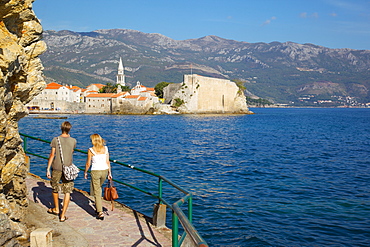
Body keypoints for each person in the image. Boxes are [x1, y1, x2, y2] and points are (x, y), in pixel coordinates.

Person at [46, 121, 76, 222]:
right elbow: (71, 152)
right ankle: (63, 215)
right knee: (67, 191)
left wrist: (48, 168)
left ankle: (56, 209)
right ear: (69, 129)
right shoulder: (73, 141)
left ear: (61, 128)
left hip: (57, 167)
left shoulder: (55, 140)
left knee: (55, 188)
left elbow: (52, 155)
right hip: (68, 169)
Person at [84, 134, 112, 220]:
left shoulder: (91, 150)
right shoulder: (106, 148)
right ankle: (98, 205)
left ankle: (100, 211)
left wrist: (85, 172)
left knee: (97, 191)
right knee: (98, 188)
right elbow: (108, 162)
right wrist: (110, 173)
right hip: (104, 171)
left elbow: (88, 163)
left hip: (95, 171)